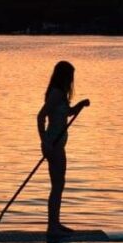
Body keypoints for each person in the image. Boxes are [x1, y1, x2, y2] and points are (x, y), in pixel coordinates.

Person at [37, 61, 90, 234]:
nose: (71, 80)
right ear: (64, 76)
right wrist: (45, 142)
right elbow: (40, 117)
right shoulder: (56, 94)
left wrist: (80, 105)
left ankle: (55, 224)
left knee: (58, 185)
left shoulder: (60, 95)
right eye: (70, 76)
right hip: (53, 145)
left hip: (57, 145)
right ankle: (53, 226)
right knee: (57, 185)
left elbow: (66, 113)